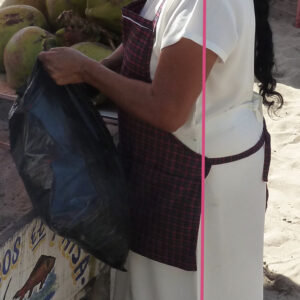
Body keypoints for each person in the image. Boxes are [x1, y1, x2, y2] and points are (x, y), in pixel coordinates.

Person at [39, 0, 283, 299]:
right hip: (172, 166)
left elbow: (168, 110)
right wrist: (100, 71)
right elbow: (151, 35)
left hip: (200, 181)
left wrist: (87, 71)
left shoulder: (206, 5)